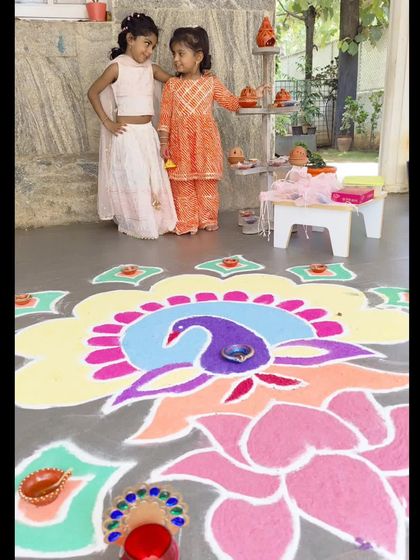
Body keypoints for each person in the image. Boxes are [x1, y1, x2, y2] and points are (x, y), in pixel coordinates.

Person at [158, 26, 270, 235]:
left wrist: (253, 95)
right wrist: (163, 143)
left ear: (198, 57)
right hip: (179, 145)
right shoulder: (172, 85)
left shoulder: (211, 83)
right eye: (174, 54)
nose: (175, 59)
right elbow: (165, 117)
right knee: (182, 184)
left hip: (206, 144)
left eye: (181, 53)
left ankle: (208, 218)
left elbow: (232, 102)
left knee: (206, 183)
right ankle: (187, 221)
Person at [87, 12, 177, 240]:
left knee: (150, 176)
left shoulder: (151, 68)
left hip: (147, 134)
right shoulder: (117, 67)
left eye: (153, 46)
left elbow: (175, 83)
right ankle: (137, 221)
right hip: (127, 135)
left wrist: (200, 75)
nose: (149, 51)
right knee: (134, 177)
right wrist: (107, 122)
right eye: (146, 43)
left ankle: (155, 219)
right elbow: (93, 92)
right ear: (130, 39)